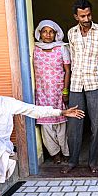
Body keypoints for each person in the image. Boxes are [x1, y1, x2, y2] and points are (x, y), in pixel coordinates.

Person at [63, 0, 98, 174]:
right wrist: (67, 88)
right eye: (82, 16)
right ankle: (73, 160)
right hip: (77, 83)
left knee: (96, 124)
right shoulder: (71, 33)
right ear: (76, 16)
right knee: (74, 124)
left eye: (89, 15)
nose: (86, 19)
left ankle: (93, 161)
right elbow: (72, 59)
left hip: (95, 82)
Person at [33, 20, 71, 164]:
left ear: (56, 34)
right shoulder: (35, 48)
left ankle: (66, 152)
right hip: (42, 92)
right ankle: (55, 153)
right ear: (39, 33)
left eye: (51, 31)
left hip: (58, 91)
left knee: (61, 123)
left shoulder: (62, 48)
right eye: (44, 31)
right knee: (46, 124)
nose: (48, 34)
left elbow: (67, 70)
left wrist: (65, 91)